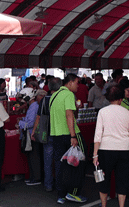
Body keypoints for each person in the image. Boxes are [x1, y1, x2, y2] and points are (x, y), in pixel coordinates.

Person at [92, 86, 129, 207]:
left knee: (103, 180)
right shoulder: (127, 113)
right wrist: (128, 142)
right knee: (122, 180)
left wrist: (95, 154)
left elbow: (98, 135)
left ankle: (103, 205)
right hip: (124, 150)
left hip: (105, 150)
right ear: (121, 99)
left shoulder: (102, 112)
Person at [51, 74, 87, 204]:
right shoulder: (68, 95)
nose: (78, 85)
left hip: (56, 134)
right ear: (70, 82)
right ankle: (74, 193)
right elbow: (69, 115)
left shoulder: (54, 95)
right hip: (69, 133)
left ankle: (61, 194)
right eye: (77, 82)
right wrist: (73, 135)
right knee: (80, 161)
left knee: (61, 165)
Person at [32, 78, 61, 192]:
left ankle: (48, 184)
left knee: (47, 160)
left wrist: (34, 131)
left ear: (48, 87)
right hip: (59, 132)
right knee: (59, 161)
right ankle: (59, 185)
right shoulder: (61, 98)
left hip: (47, 132)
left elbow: (38, 117)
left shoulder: (44, 100)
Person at [24, 89, 47, 186]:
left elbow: (31, 123)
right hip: (35, 133)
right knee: (34, 156)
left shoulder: (34, 107)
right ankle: (35, 177)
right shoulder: (35, 106)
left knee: (34, 156)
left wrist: (21, 123)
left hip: (33, 134)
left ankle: (36, 177)